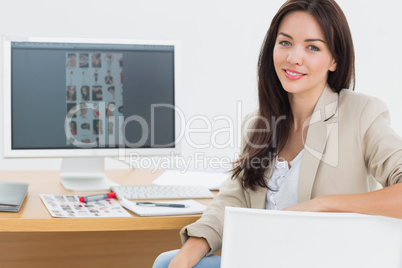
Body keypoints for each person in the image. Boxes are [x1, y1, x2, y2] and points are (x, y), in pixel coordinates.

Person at [153, 0, 402, 267]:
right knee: (167, 261)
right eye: (285, 42)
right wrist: (190, 252)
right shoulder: (258, 123)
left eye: (312, 47)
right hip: (266, 257)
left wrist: (322, 206)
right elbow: (235, 197)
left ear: (334, 60)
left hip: (327, 260)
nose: (294, 57)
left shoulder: (361, 113)